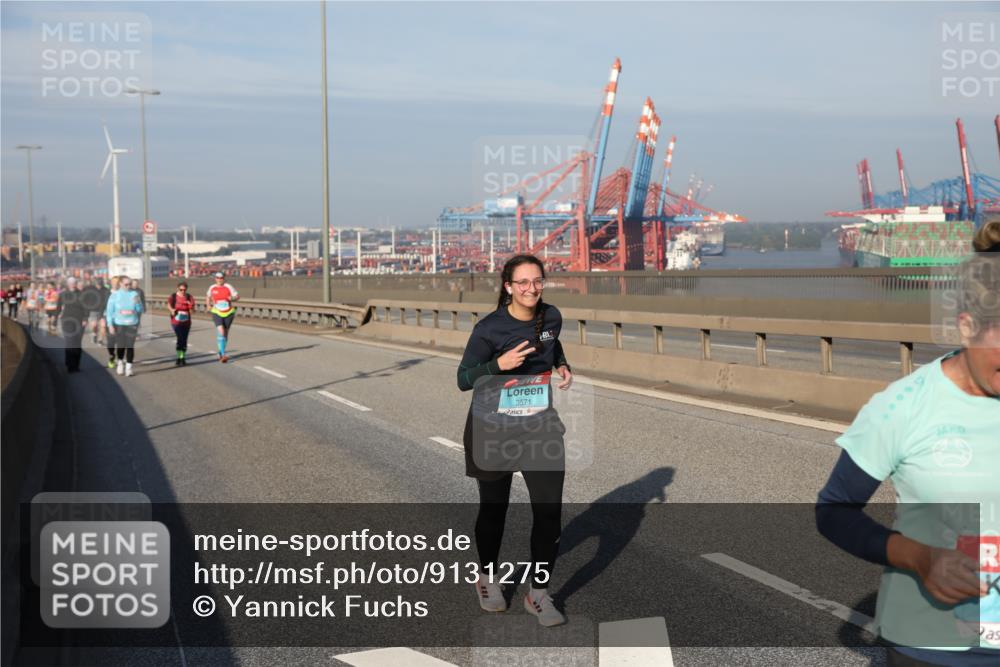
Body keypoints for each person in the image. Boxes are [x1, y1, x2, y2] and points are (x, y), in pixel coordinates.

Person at [816, 252, 999, 666]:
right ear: (967, 326)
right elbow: (834, 511)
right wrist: (918, 556)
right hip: (934, 647)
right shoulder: (903, 406)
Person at [457, 254, 573, 627]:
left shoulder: (551, 316)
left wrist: (561, 364)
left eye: (537, 281)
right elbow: (463, 378)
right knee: (495, 509)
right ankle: (487, 578)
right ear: (508, 287)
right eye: (522, 282)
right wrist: (497, 366)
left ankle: (538, 594)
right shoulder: (488, 330)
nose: (531, 288)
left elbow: (551, 343)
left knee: (549, 512)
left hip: (540, 426)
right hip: (493, 428)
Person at [105, 275, 144, 377]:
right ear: (120, 284)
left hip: (132, 323)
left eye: (130, 284)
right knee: (121, 346)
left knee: (130, 346)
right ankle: (120, 363)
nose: (128, 286)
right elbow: (109, 312)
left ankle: (129, 368)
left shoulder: (134, 294)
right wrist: (110, 325)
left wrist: (138, 304)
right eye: (126, 284)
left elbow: (140, 310)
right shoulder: (114, 295)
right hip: (120, 324)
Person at [56, 277, 88, 373]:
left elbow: (86, 308)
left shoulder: (82, 294)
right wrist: (54, 318)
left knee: (77, 343)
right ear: (67, 284)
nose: (72, 284)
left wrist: (85, 319)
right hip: (67, 320)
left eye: (74, 283)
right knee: (70, 342)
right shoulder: (62, 294)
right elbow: (58, 307)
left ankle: (76, 365)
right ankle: (69, 364)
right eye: (70, 283)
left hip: (79, 320)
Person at [206, 271, 239, 362]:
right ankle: (223, 354)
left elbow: (237, 296)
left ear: (224, 278)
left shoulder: (228, 286)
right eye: (217, 278)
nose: (219, 280)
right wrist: (208, 305)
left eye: (221, 278)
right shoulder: (212, 287)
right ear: (215, 278)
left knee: (225, 334)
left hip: (228, 312)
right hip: (217, 311)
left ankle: (221, 351)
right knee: (221, 330)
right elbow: (208, 296)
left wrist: (232, 298)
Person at [167, 281, 195, 366]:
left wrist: (190, 306)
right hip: (176, 321)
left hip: (186, 322)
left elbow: (193, 311)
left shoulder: (190, 297)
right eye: (181, 289)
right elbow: (169, 305)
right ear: (177, 288)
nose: (183, 291)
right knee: (180, 338)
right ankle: (180, 358)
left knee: (184, 340)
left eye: (184, 290)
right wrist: (172, 310)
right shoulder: (173, 296)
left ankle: (182, 358)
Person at [104, 276, 120, 366]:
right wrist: (101, 318)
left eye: (117, 282)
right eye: (114, 282)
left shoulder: (123, 293)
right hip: (109, 320)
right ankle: (112, 355)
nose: (115, 284)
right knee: (111, 342)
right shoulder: (106, 293)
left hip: (122, 321)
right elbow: (101, 305)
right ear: (111, 283)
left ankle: (120, 358)